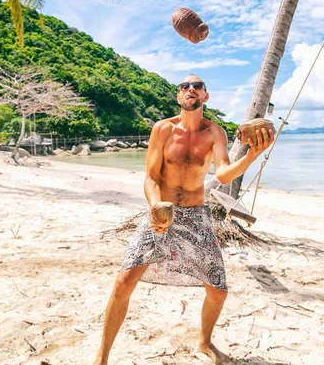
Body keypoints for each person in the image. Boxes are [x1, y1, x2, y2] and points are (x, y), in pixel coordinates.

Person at [93, 74, 273, 365]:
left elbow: (224, 174)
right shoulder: (163, 130)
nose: (190, 89)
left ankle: (205, 343)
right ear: (178, 97)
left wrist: (252, 155)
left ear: (205, 96)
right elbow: (151, 178)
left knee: (218, 291)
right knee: (123, 283)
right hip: (160, 214)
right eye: (184, 87)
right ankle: (101, 358)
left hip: (196, 218)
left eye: (197, 86)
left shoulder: (215, 133)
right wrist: (156, 207)